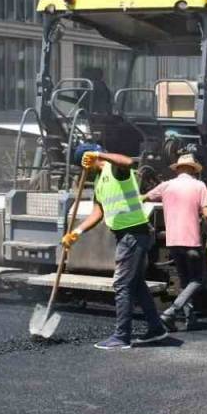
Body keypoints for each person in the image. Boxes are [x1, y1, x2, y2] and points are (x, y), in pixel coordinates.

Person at [63, 149, 168, 350]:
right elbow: (97, 212)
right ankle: (156, 328)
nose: (83, 169)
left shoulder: (115, 170)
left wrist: (99, 154)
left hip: (133, 233)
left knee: (122, 284)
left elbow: (128, 160)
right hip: (126, 235)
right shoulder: (98, 181)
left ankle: (121, 337)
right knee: (136, 284)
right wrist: (76, 232)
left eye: (84, 164)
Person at [144, 153, 207, 332]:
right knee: (197, 280)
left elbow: (144, 197)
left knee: (184, 281)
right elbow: (206, 214)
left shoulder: (166, 185)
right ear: (192, 169)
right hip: (191, 241)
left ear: (179, 169)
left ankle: (190, 319)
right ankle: (172, 312)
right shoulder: (199, 185)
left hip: (173, 241)